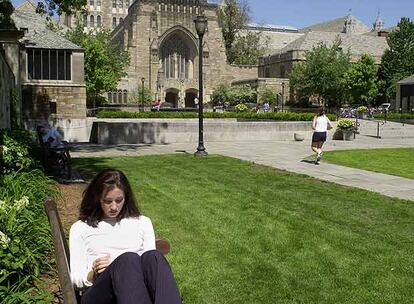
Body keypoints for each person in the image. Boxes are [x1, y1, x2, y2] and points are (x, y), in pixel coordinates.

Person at [69, 169, 182, 304]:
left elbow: (149, 268)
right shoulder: (81, 228)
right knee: (127, 259)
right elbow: (76, 280)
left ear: (126, 198)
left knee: (154, 257)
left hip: (135, 291)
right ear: (97, 198)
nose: (114, 207)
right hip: (99, 293)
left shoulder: (142, 222)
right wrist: (93, 273)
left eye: (119, 200)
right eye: (107, 201)